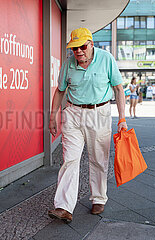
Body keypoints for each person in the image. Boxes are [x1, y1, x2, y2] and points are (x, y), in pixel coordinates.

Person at [48, 27, 127, 223]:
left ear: (91, 44)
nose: (78, 52)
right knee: (70, 160)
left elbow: (118, 89)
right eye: (74, 48)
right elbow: (59, 91)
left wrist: (122, 118)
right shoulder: (68, 65)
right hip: (73, 113)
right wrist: (52, 116)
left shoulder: (106, 59)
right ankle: (64, 207)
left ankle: (99, 198)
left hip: (99, 113)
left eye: (82, 46)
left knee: (98, 159)